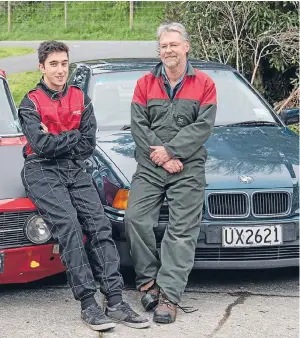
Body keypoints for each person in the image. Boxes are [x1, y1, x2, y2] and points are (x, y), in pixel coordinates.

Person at [18, 40, 150, 332]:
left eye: (64, 63)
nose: (60, 70)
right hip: (41, 171)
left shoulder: (81, 98)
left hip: (75, 169)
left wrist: (58, 141)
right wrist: (70, 137)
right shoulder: (30, 103)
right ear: (41, 67)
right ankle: (88, 303)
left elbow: (88, 143)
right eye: (53, 64)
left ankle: (115, 301)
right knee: (70, 227)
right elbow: (39, 146)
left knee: (100, 226)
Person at [124, 22, 217, 324]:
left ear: (186, 47)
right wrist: (163, 157)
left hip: (187, 167)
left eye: (174, 45)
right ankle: (148, 282)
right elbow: (139, 128)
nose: (168, 51)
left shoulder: (204, 84)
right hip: (152, 164)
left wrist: (174, 151)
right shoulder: (144, 84)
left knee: (181, 230)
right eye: (164, 46)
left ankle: (169, 296)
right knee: (135, 218)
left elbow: (202, 127)